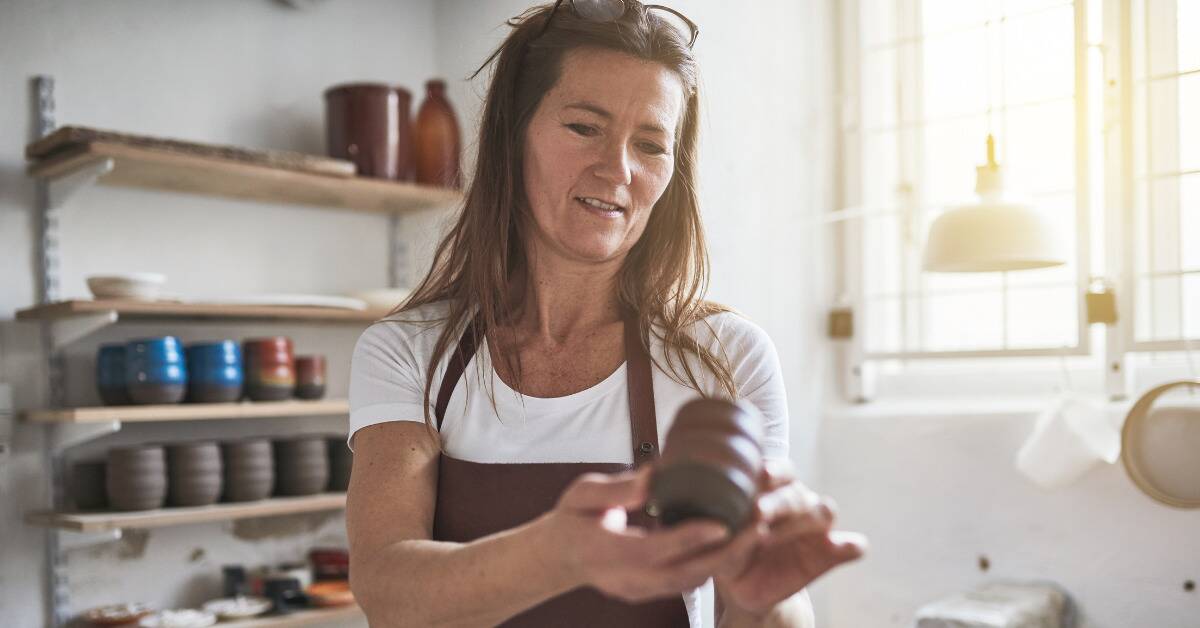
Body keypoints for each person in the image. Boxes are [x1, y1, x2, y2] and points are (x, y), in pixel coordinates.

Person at [345, 1, 866, 626]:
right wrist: (559, 554)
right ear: (515, 136)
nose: (618, 169)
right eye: (584, 128)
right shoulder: (409, 351)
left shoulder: (726, 359)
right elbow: (386, 588)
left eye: (650, 144)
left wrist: (767, 604)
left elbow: (769, 607)